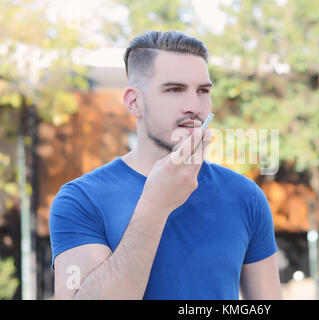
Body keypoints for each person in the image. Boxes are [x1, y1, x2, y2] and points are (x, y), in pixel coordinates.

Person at [49, 30, 282, 300]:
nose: (194, 106)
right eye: (175, 90)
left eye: (203, 91)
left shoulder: (246, 196)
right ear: (134, 102)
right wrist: (155, 206)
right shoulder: (80, 199)